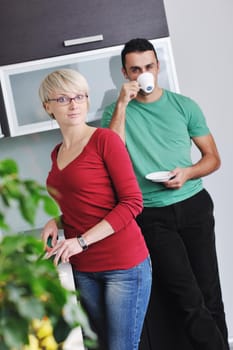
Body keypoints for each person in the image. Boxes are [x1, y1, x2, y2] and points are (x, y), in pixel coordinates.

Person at [101, 38, 230, 350]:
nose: (143, 74)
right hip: (152, 214)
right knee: (187, 296)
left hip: (194, 204)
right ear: (125, 73)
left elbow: (212, 158)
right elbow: (113, 152)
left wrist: (186, 173)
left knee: (209, 291)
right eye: (135, 70)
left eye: (148, 67)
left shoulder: (184, 106)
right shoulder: (114, 113)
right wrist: (121, 104)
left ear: (158, 67)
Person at [39, 68, 152, 350]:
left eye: (80, 96)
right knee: (100, 346)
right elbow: (88, 203)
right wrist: (56, 220)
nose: (74, 104)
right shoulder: (57, 152)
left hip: (123, 266)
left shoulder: (105, 141)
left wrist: (80, 242)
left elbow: (132, 203)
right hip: (84, 269)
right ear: (48, 107)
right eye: (63, 99)